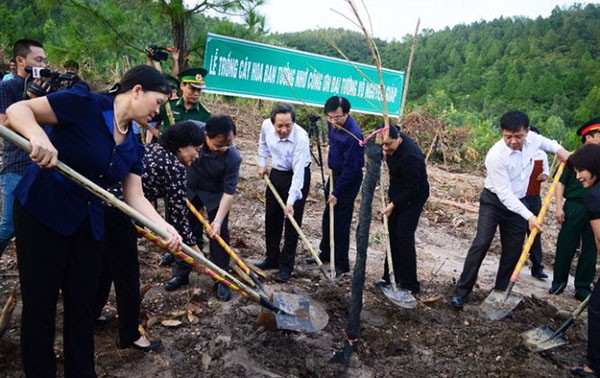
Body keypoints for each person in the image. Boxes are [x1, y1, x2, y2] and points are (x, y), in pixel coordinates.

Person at [5, 64, 182, 378]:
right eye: (156, 103)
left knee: (82, 305)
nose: (157, 113)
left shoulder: (134, 141)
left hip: (87, 222)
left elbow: (135, 195)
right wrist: (37, 137)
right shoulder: (83, 103)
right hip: (42, 212)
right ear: (137, 90)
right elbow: (18, 110)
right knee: (41, 304)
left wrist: (164, 227)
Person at [94, 121, 203, 351]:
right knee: (127, 276)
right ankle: (130, 335)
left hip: (99, 206)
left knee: (104, 267)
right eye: (197, 148)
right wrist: (196, 255)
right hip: (119, 212)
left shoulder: (151, 149)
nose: (197, 155)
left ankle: (92, 313)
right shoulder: (174, 166)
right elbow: (177, 215)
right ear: (183, 146)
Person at [450, 110, 569, 309]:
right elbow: (505, 195)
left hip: (519, 203)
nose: (513, 141)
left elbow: (550, 144)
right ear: (502, 133)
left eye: (518, 136)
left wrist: (562, 152)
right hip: (494, 201)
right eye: (508, 136)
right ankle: (461, 292)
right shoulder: (496, 156)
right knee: (482, 242)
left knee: (513, 250)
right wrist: (530, 216)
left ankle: (500, 294)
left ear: (527, 132)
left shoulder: (533, 139)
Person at [164, 115, 242, 302]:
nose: (223, 148)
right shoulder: (192, 130)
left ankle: (220, 278)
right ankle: (181, 272)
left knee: (219, 234)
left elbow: (228, 193)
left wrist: (217, 221)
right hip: (188, 187)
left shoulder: (233, 158)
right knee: (184, 229)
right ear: (206, 136)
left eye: (228, 144)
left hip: (215, 194)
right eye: (218, 145)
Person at [0, 39, 47, 259]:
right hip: (16, 165)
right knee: (9, 226)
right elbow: (3, 125)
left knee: (39, 226)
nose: (44, 64)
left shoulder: (47, 87)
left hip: (42, 165)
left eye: (45, 60)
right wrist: (28, 101)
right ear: (21, 60)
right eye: (38, 60)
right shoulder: (8, 87)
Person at [307, 96, 364, 277]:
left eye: (337, 117)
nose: (333, 121)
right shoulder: (333, 125)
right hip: (334, 174)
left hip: (348, 179)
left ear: (347, 113)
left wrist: (337, 192)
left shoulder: (354, 135)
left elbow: (351, 168)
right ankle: (325, 253)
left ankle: (341, 263)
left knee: (341, 220)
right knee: (327, 215)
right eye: (329, 117)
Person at [255, 103, 312, 283]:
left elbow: (298, 174)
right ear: (273, 123)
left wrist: (290, 202)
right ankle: (272, 258)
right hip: (276, 173)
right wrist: (262, 163)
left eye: (288, 125)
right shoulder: (266, 126)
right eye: (280, 125)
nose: (284, 129)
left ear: (293, 123)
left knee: (292, 222)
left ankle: (286, 266)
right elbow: (262, 145)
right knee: (272, 217)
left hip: (298, 176)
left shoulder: (301, 138)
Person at [375, 123, 429, 300]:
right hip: (399, 192)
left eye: (389, 144)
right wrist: (393, 200)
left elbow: (412, 187)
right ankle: (389, 276)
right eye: (382, 144)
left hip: (414, 196)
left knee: (403, 235)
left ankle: (409, 283)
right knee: (391, 233)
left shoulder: (410, 157)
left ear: (398, 139)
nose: (385, 148)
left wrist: (393, 204)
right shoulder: (390, 141)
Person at [551, 117, 600, 301]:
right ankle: (558, 283)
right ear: (589, 138)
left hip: (596, 209)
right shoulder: (576, 159)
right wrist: (558, 207)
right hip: (574, 206)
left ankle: (582, 287)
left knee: (591, 249)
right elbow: (560, 183)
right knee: (566, 244)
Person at [565, 143, 600, 377]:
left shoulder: (594, 197)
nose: (577, 177)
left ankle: (594, 367)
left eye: (581, 171)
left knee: (597, 308)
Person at [522, 126, 550, 280]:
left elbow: (546, 172)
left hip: (534, 197)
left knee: (535, 232)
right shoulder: (519, 153)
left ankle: (537, 267)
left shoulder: (542, 154)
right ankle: (513, 266)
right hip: (519, 197)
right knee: (516, 231)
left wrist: (543, 176)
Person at [156, 67, 211, 135]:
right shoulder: (168, 106)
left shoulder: (204, 114)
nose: (196, 94)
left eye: (199, 90)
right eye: (192, 89)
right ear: (182, 86)